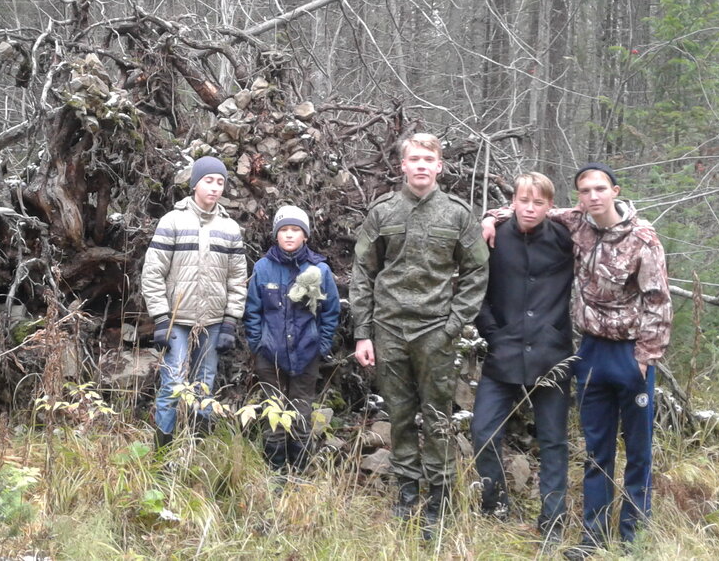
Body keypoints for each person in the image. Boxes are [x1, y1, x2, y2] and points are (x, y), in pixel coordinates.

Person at [482, 163, 671, 557]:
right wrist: (492, 214)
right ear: (579, 197)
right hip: (589, 351)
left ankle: (633, 538)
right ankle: (594, 538)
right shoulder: (578, 223)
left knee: (638, 449)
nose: (593, 196)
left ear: (615, 191)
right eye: (585, 190)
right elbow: (532, 209)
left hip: (631, 353)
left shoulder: (643, 237)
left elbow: (658, 301)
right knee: (596, 448)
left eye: (600, 189)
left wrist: (646, 357)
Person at [351, 132, 488, 537]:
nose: (422, 165)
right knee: (400, 416)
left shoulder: (458, 214)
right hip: (389, 329)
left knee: (438, 416)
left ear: (440, 166)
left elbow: (477, 271)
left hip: (436, 332)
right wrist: (363, 332)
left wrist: (454, 323)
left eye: (430, 158)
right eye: (415, 158)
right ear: (403, 166)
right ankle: (407, 494)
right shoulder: (383, 211)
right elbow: (363, 272)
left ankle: (439, 500)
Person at [470, 172, 574, 546]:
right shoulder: (494, 237)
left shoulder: (566, 237)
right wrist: (492, 333)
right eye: (523, 200)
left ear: (551, 206)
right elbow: (475, 288)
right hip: (504, 352)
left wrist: (557, 333)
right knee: (483, 431)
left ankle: (552, 520)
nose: (530, 209)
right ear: (512, 201)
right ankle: (495, 506)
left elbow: (601, 217)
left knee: (553, 440)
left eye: (539, 202)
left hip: (552, 355)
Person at [141, 155, 248, 447]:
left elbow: (237, 280)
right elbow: (153, 273)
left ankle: (195, 448)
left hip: (213, 322)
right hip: (177, 321)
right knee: (172, 385)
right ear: (195, 184)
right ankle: (161, 454)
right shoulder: (172, 221)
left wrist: (229, 322)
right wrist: (162, 319)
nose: (214, 187)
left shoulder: (230, 229)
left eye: (220, 182)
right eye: (208, 180)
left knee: (205, 386)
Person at [243, 205, 340, 472]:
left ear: (305, 236)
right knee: (273, 415)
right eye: (284, 230)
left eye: (295, 230)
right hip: (269, 356)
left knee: (300, 416)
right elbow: (252, 310)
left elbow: (331, 311)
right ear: (276, 235)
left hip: (306, 355)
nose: (289, 235)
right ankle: (275, 475)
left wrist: (321, 345)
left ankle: (299, 473)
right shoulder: (263, 268)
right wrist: (257, 343)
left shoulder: (320, 270)